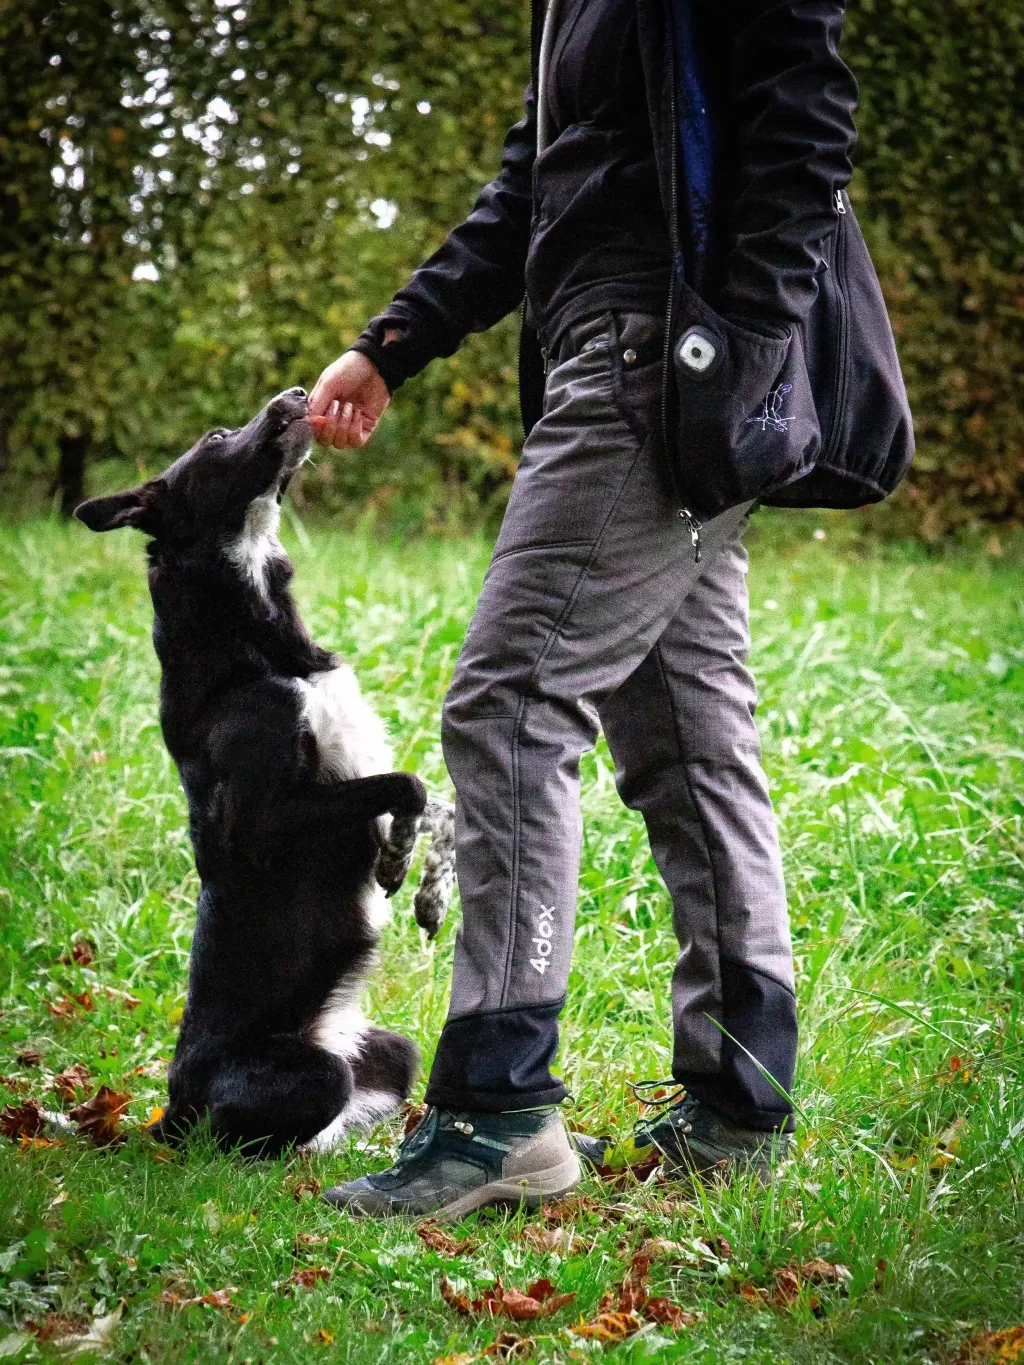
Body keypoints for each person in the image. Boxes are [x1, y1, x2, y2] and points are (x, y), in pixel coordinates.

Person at [309, 0, 861, 1219]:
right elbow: (537, 193)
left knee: (510, 710)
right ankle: (739, 1097)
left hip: (661, 362)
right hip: (612, 356)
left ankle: (502, 1112)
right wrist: (390, 345)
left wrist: (743, 344)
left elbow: (806, 117)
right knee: (688, 744)